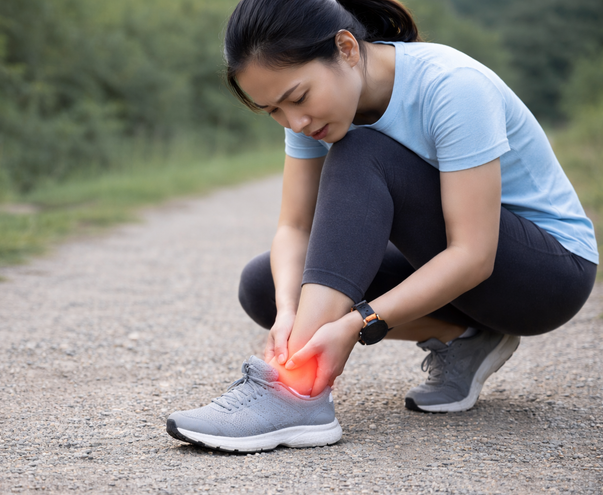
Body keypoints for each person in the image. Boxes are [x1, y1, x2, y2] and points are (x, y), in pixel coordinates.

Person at [166, 0, 597, 452]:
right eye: (272, 110)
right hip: (465, 277)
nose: (295, 121)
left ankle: (295, 392)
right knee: (265, 286)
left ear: (347, 48)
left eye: (297, 98)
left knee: (359, 150)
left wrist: (357, 323)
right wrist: (291, 311)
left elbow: (473, 254)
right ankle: (466, 337)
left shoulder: (451, 86)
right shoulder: (314, 113)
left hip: (548, 274)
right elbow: (294, 228)